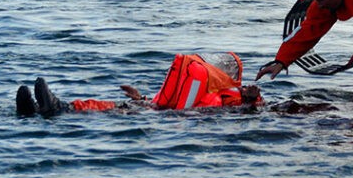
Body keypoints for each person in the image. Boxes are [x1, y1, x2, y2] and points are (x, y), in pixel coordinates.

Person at [16, 52, 262, 117]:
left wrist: (250, 101)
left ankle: (57, 109)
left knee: (108, 110)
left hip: (162, 117)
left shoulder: (235, 98)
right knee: (110, 106)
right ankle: (39, 110)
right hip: (154, 109)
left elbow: (250, 112)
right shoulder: (204, 87)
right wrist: (141, 97)